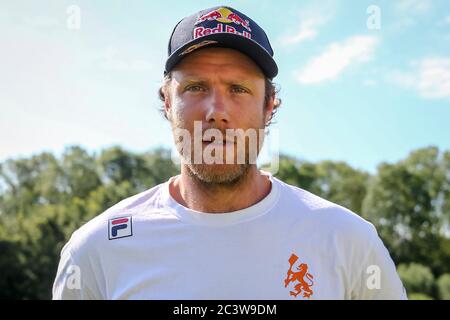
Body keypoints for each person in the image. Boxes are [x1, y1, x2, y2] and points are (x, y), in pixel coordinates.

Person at [53, 5, 407, 300]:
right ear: (167, 102)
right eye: (195, 87)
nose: (216, 111)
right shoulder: (95, 252)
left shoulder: (347, 240)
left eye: (238, 88)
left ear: (269, 106)